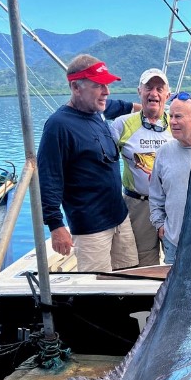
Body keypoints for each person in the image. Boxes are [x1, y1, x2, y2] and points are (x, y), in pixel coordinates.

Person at [37, 54, 138, 272]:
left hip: (120, 218)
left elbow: (118, 106)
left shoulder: (97, 110)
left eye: (107, 85)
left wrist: (150, 109)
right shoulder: (58, 126)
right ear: (76, 87)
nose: (106, 92)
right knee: (97, 290)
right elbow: (49, 179)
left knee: (129, 278)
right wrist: (56, 225)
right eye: (98, 86)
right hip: (91, 229)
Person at [109, 68, 172, 266]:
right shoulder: (122, 124)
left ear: (167, 95)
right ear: (139, 91)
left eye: (159, 88)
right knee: (145, 262)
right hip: (138, 205)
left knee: (176, 259)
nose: (154, 93)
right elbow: (102, 164)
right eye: (148, 88)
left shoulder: (177, 123)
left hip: (173, 205)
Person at [149, 92, 191, 264]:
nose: (172, 122)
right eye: (170, 116)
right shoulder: (164, 152)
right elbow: (156, 195)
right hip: (173, 244)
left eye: (178, 116)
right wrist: (160, 224)